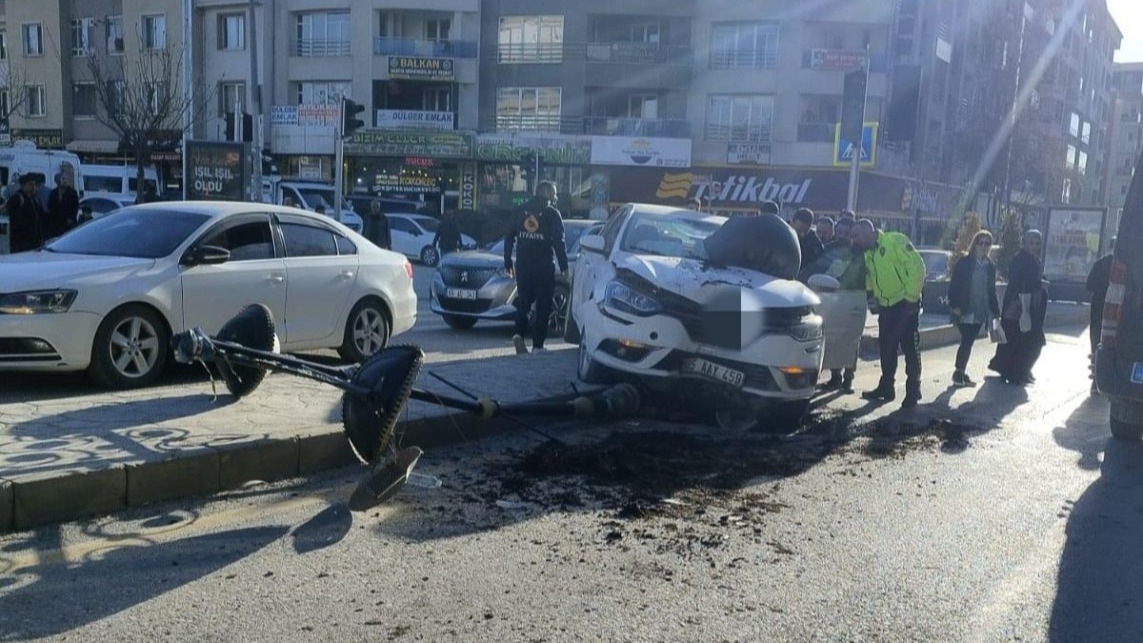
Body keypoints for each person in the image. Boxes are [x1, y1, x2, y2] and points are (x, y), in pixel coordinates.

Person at [852, 219, 927, 407]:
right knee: (886, 349)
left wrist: (911, 298)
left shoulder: (895, 241)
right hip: (886, 306)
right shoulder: (867, 252)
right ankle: (886, 387)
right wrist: (873, 297)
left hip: (905, 303)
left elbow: (917, 267)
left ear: (868, 232)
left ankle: (913, 390)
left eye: (856, 236)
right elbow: (870, 277)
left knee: (910, 349)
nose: (854, 240)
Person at [505, 181, 569, 354]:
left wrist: (507, 262)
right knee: (543, 306)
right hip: (544, 268)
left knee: (524, 302)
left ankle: (518, 334)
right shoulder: (552, 214)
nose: (555, 197)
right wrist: (564, 267)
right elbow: (559, 241)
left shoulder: (519, 210)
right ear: (547, 194)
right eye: (554, 193)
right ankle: (538, 346)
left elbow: (509, 236)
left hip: (524, 266)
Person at [989, 230, 1048, 386]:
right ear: (1025, 242)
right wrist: (1025, 305)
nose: (1034, 246)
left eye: (1037, 243)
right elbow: (1019, 282)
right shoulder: (1020, 259)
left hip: (1029, 303)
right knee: (1017, 340)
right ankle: (1013, 372)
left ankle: (1018, 371)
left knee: (1026, 340)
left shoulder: (1033, 259)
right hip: (1019, 303)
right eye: (1031, 243)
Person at [818, 217, 866, 392]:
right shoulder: (827, 251)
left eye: (847, 234)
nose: (843, 237)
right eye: (840, 233)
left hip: (853, 301)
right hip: (833, 301)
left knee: (851, 341)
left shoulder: (858, 253)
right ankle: (835, 377)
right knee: (833, 340)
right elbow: (828, 273)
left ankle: (848, 379)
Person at [947, 230, 1001, 387]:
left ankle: (961, 372)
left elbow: (991, 290)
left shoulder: (990, 266)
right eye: (981, 243)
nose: (984, 247)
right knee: (967, 340)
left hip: (980, 310)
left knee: (969, 341)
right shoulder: (965, 262)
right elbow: (954, 285)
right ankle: (958, 372)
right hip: (965, 308)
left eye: (987, 244)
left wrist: (996, 312)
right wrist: (955, 305)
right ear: (974, 244)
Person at [1086, 237, 1115, 395]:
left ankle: (1095, 382)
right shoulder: (1127, 266)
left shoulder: (1100, 263)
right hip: (1117, 313)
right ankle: (1108, 380)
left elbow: (1089, 285)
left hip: (1098, 310)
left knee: (1096, 343)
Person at [6, 174, 47, 253]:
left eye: (34, 184)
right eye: (30, 184)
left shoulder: (35, 199)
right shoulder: (17, 199)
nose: (33, 187)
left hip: (35, 241)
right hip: (21, 242)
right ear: (23, 185)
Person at [46, 172, 80, 239]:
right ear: (58, 181)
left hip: (68, 223)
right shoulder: (53, 192)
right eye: (63, 179)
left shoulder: (72, 192)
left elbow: (75, 207)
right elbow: (50, 206)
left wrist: (71, 218)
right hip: (56, 224)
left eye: (66, 179)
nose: (65, 181)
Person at [791, 207, 824, 272]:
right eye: (799, 231)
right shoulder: (781, 234)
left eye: (806, 231)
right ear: (792, 223)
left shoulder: (813, 240)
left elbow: (820, 259)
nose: (802, 235)